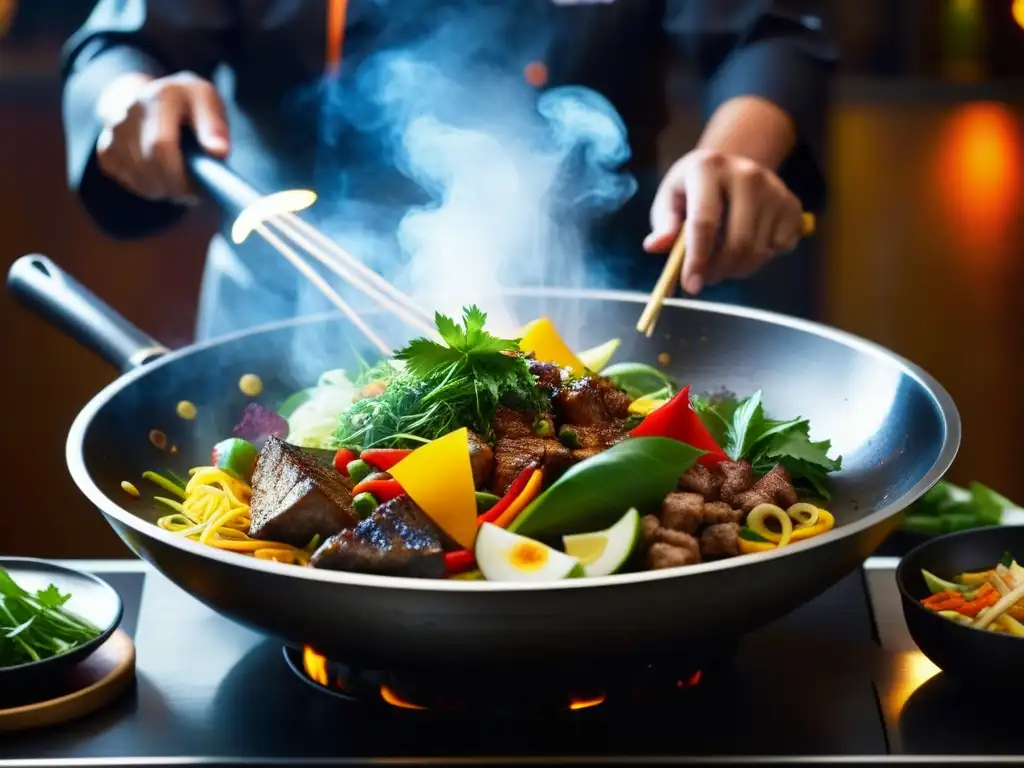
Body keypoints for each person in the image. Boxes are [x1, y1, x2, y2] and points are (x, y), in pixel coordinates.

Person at [62, 0, 837, 342]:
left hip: (601, 314)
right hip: (284, 313)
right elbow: (121, 46)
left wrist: (735, 152)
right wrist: (131, 100)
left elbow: (766, 29)